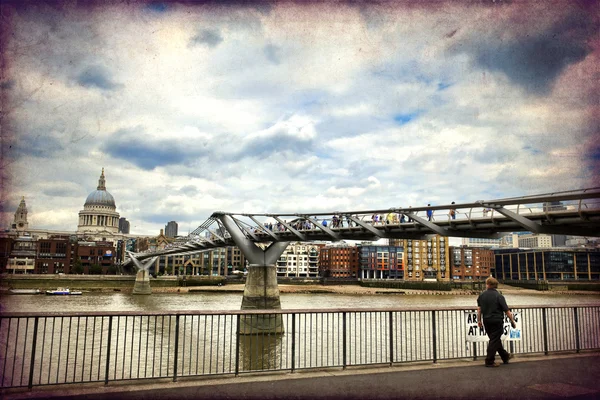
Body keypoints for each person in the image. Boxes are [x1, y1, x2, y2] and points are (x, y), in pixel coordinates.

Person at [477, 276, 517, 367]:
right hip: (497, 320)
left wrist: (479, 320)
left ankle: (505, 356)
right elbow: (507, 311)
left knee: (494, 340)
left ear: (488, 285)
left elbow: (479, 309)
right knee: (494, 340)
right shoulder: (499, 296)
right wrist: (512, 321)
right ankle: (489, 361)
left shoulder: (481, 295)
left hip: (486, 320)